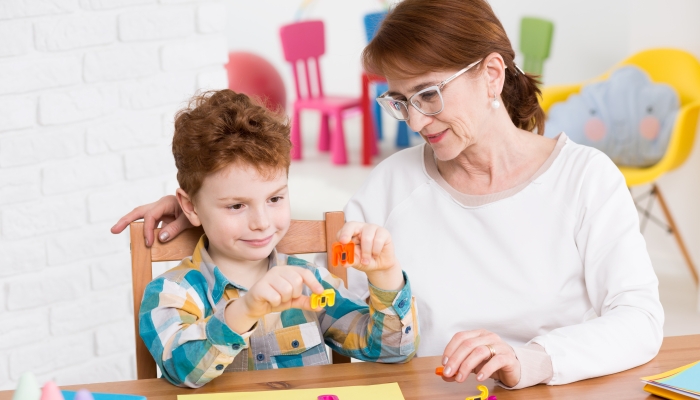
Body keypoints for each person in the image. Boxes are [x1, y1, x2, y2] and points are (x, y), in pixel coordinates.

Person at [112, 0, 664, 390]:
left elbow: (638, 319)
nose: (416, 120)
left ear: (492, 75)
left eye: (428, 94)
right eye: (400, 101)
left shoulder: (585, 178)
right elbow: (319, 274)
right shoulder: (392, 183)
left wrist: (532, 359)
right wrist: (202, 210)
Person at [137, 90, 418, 388]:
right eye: (236, 206)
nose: (262, 223)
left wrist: (385, 275)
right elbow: (181, 369)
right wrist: (245, 310)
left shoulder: (310, 282)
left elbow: (391, 351)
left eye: (275, 198)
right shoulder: (171, 293)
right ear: (191, 206)